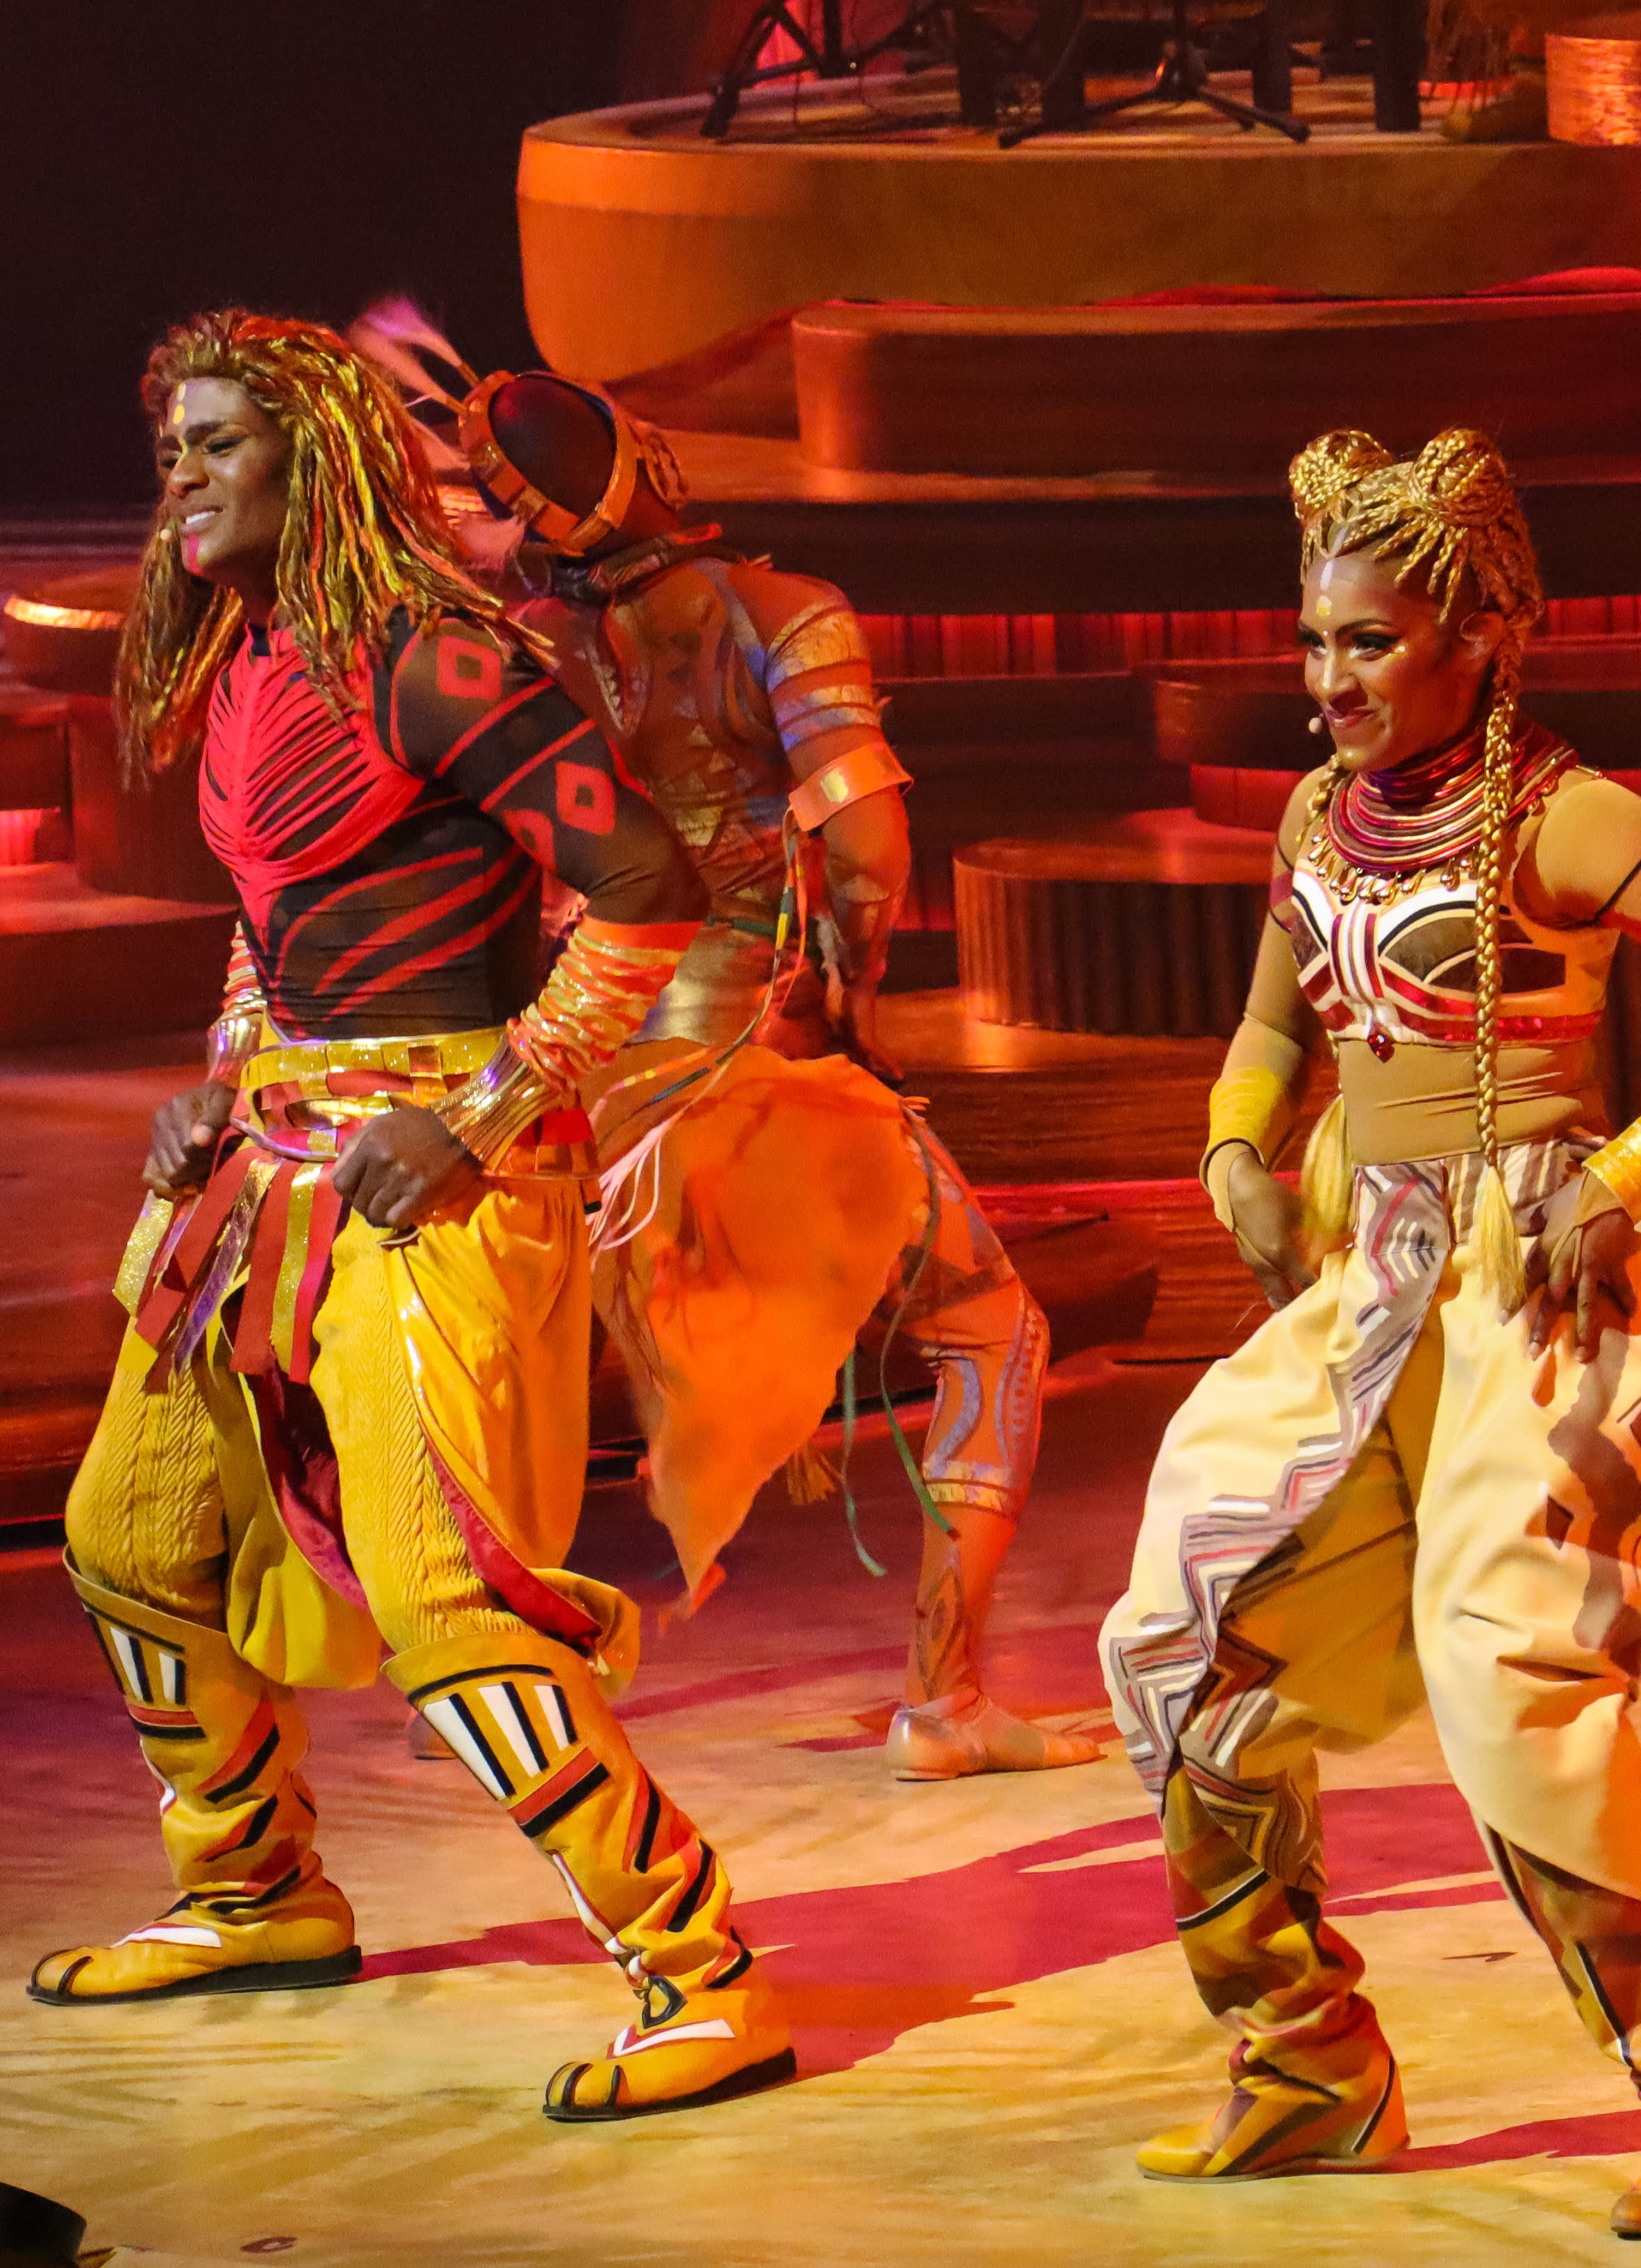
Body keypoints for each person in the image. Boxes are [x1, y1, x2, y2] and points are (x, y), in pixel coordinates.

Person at [29, 310, 798, 2123]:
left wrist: (481, 1113)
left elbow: (648, 883)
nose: (180, 475)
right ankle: (254, 1893)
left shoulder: (435, 660)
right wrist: (224, 1072)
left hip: (428, 1181)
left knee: (443, 1599)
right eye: (172, 446)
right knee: (129, 1537)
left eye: (218, 443)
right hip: (268, 1170)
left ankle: (704, 1974)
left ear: (314, 464)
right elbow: (274, 925)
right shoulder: (250, 663)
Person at [1097, 428, 1641, 2237]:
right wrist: (1233, 1151)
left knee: (1503, 1677)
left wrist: (1633, 1167)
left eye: (1366, 641)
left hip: (1532, 1290)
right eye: (1312, 642)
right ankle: (1304, 2064)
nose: (1328, 679)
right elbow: (1274, 1029)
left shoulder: (1566, 820)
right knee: (1182, 1644)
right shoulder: (1311, 817)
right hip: (1367, 1292)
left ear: (1481, 637)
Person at [358, 329, 1098, 1780]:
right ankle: (945, 1697)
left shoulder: (511, 647)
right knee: (990, 1331)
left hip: (562, 1072)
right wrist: (853, 990)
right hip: (735, 1062)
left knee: (516, 1366)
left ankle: (470, 1681)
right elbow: (868, 847)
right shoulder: (783, 615)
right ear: (642, 466)